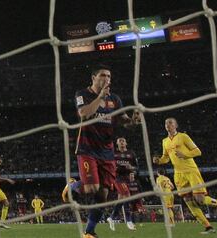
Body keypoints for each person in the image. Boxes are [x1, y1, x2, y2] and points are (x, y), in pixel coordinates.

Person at [74, 63, 140, 238]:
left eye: (109, 76)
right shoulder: (82, 94)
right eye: (103, 75)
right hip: (87, 149)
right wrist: (100, 97)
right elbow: (84, 114)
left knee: (103, 195)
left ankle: (89, 232)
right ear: (93, 78)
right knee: (91, 189)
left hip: (107, 152)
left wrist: (133, 121)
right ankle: (72, 185)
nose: (107, 79)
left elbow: (124, 121)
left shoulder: (115, 99)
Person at [153, 117, 217, 234]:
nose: (167, 125)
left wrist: (184, 154)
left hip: (191, 171)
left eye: (170, 123)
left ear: (176, 125)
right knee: (189, 201)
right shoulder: (165, 141)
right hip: (178, 175)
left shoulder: (183, 136)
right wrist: (159, 160)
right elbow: (166, 158)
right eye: (166, 123)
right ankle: (208, 227)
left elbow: (197, 151)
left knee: (200, 200)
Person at [106, 137, 137, 231]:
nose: (122, 142)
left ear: (126, 143)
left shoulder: (131, 153)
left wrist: (131, 169)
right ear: (117, 144)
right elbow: (108, 165)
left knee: (121, 199)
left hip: (127, 178)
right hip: (118, 178)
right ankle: (128, 221)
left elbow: (136, 167)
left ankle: (111, 218)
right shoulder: (114, 154)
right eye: (120, 141)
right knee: (127, 195)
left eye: (123, 141)